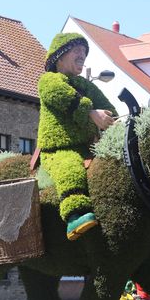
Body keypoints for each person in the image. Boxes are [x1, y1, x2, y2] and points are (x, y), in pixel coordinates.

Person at [37, 32, 117, 240]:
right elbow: (64, 97)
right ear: (60, 56)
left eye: (84, 51)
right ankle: (74, 215)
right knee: (69, 165)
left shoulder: (86, 85)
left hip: (89, 148)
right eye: (77, 51)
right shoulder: (49, 80)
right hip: (59, 149)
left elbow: (108, 108)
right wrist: (91, 113)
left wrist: (114, 120)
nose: (82, 54)